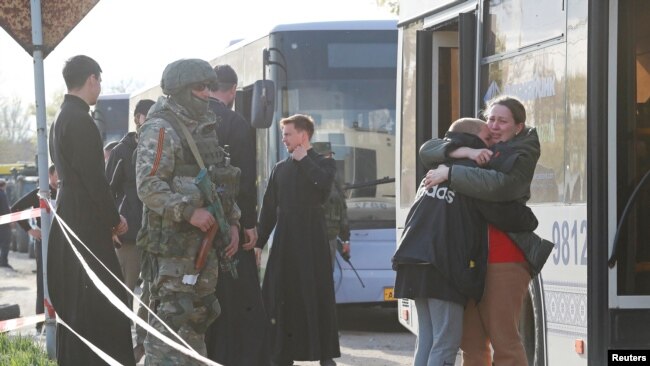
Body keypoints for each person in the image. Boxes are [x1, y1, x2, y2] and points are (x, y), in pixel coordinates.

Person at [393, 118, 539, 366]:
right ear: (471, 139)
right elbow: (500, 211)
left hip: (412, 261)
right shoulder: (467, 174)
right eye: (486, 138)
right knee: (445, 342)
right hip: (442, 266)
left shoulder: (437, 169)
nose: (490, 146)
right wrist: (528, 219)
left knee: (427, 340)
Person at [135, 58, 240, 365]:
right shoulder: (160, 128)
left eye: (210, 87)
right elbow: (148, 185)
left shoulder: (205, 128)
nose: (207, 93)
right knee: (169, 322)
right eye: (199, 87)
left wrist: (232, 221)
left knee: (197, 320)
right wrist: (188, 212)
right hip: (172, 250)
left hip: (204, 248)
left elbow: (221, 179)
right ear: (180, 90)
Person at [48, 55, 135, 366]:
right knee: (103, 304)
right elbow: (95, 180)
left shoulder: (60, 117)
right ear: (91, 79)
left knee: (77, 303)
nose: (99, 86)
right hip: (86, 223)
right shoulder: (82, 120)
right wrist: (115, 220)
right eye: (99, 80)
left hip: (69, 217)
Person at [257, 114, 340, 366]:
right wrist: (259, 243)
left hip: (312, 242)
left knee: (317, 295)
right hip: (285, 244)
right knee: (281, 296)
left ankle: (325, 355)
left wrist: (304, 161)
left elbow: (323, 185)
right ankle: (281, 355)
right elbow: (269, 209)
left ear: (303, 135)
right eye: (283, 135)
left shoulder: (324, 163)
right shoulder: (280, 169)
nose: (284, 139)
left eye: (288, 134)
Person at [204, 64, 269, 366]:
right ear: (231, 91)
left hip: (193, 225)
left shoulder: (187, 120)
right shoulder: (236, 124)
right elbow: (245, 180)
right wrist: (249, 226)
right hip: (230, 225)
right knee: (238, 295)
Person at [105, 98, 155, 362]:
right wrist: (113, 226)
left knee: (151, 294)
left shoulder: (160, 147)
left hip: (156, 236)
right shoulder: (122, 151)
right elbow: (108, 192)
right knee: (124, 292)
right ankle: (120, 346)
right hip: (129, 236)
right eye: (148, 116)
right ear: (137, 118)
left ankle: (143, 346)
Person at [10, 164, 58, 329]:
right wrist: (30, 230)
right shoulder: (39, 193)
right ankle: (40, 324)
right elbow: (14, 209)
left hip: (62, 243)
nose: (61, 178)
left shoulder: (66, 191)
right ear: (50, 175)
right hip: (43, 242)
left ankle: (61, 322)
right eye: (58, 174)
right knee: (43, 282)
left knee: (62, 281)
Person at [312, 141, 350, 268]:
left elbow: (342, 211)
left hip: (330, 238)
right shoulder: (311, 179)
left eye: (330, 156)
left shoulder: (334, 181)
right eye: (325, 156)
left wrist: (345, 239)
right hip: (315, 238)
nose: (329, 159)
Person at [0, 179, 11, 269]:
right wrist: (10, 220)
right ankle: (3, 262)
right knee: (5, 243)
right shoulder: (2, 195)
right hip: (3, 223)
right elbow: (5, 209)